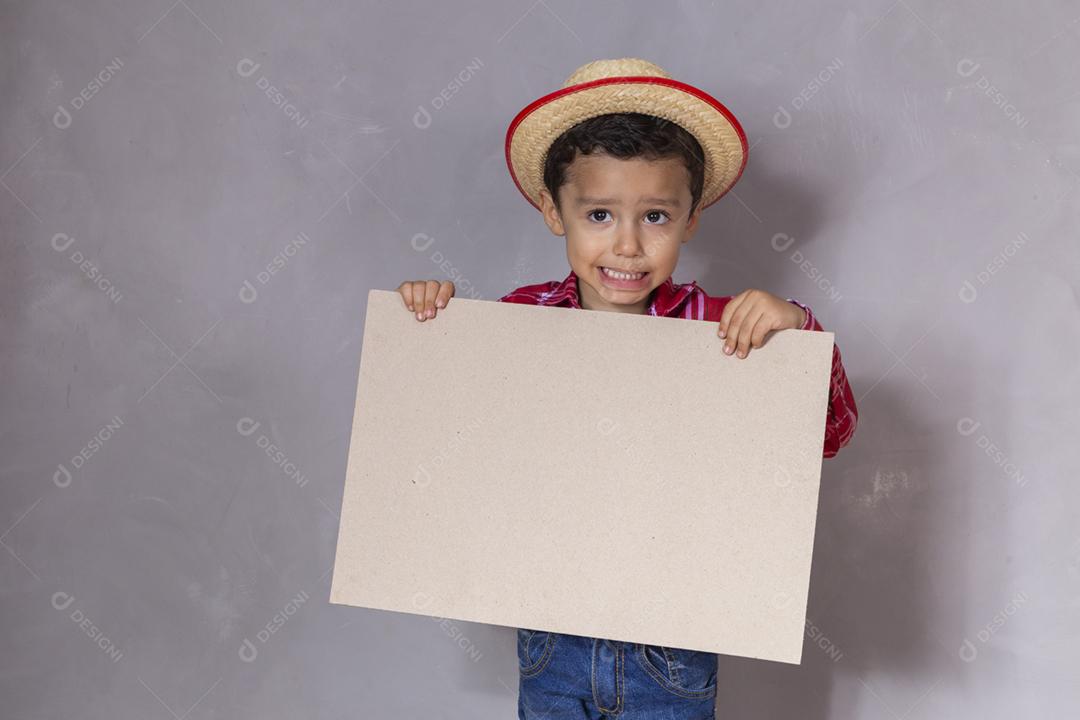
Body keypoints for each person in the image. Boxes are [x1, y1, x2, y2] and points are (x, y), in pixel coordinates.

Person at [396, 57, 858, 720]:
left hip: (673, 645)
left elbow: (832, 433)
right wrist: (429, 320)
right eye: (601, 214)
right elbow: (459, 438)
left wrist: (798, 335)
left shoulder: (724, 330)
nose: (629, 245)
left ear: (692, 219)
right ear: (554, 211)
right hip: (551, 638)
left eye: (657, 217)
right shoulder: (519, 322)